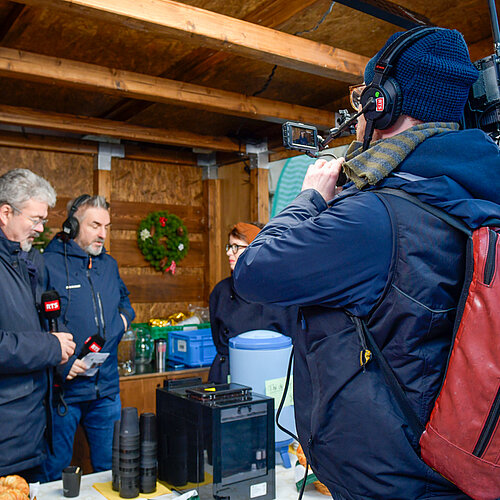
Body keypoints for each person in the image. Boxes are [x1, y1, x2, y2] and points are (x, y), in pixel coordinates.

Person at [234, 28, 500, 499]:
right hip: (442, 470)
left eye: (363, 97)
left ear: (384, 102)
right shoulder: (470, 196)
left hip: (387, 482)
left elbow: (254, 271)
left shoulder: (376, 218)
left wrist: (309, 196)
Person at [41, 194, 135, 481]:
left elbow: (126, 305)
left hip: (106, 391)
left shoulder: (109, 265)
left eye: (106, 226)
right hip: (63, 393)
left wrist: (118, 324)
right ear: (72, 225)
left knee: (112, 471)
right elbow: (34, 325)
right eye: (95, 225)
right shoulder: (46, 264)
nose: (102, 234)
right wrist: (61, 364)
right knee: (53, 472)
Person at [0, 169, 76, 480]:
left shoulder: (25, 261)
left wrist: (59, 359)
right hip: (7, 443)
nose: (41, 228)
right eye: (35, 219)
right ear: (6, 213)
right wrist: (50, 347)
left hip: (29, 433)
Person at [208, 222, 297, 384]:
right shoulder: (221, 291)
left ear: (257, 250)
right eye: (229, 246)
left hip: (274, 378)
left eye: (237, 247)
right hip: (228, 376)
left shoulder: (283, 292)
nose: (229, 253)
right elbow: (217, 338)